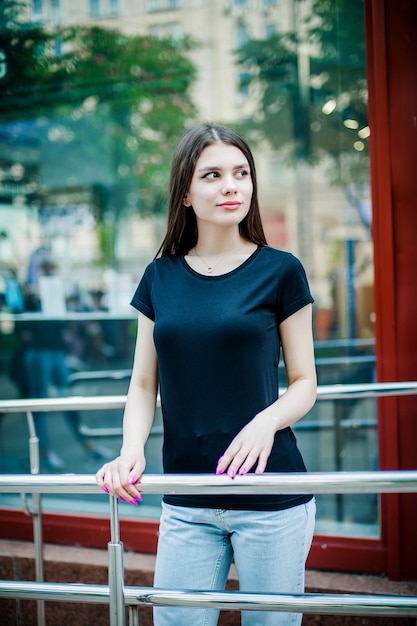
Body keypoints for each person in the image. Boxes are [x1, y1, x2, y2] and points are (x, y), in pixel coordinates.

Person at [96, 123, 317, 626]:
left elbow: (305, 381)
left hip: (271, 496)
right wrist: (131, 450)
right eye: (213, 175)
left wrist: (266, 422)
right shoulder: (160, 276)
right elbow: (142, 384)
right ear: (187, 194)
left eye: (241, 173)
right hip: (187, 498)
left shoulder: (281, 270)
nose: (231, 185)